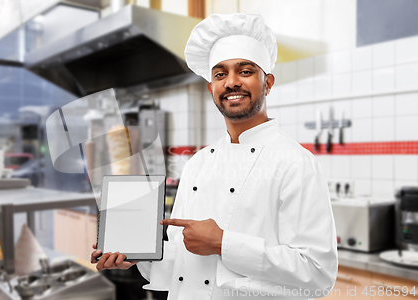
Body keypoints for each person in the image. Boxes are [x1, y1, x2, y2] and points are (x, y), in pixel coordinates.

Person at [91, 13, 338, 299]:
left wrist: (223, 243)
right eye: (220, 74)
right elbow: (183, 266)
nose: (231, 82)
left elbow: (318, 274)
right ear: (211, 88)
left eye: (245, 71)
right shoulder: (199, 164)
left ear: (268, 82)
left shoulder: (295, 163)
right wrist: (137, 254)